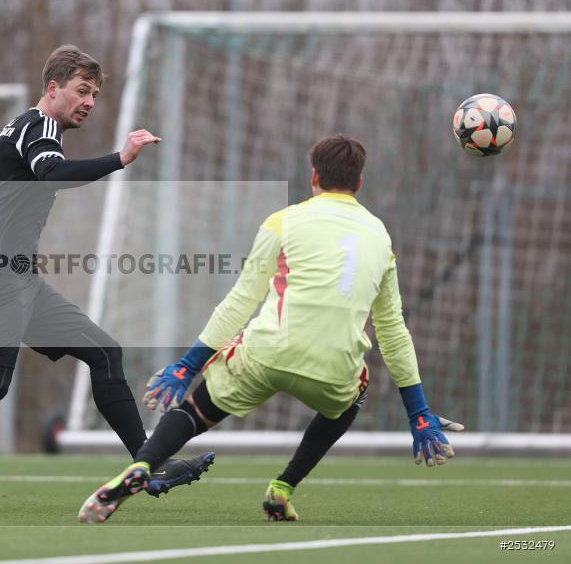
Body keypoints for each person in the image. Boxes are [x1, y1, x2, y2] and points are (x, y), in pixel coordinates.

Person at [0, 45, 213, 514]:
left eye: (94, 93)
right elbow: (50, 174)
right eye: (81, 90)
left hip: (13, 275)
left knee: (105, 352)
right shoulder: (40, 125)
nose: (89, 101)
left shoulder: (20, 130)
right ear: (52, 89)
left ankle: (147, 465)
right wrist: (120, 158)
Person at [79, 134, 464, 524]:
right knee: (354, 396)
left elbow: (241, 301)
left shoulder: (283, 221)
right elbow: (393, 329)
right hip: (333, 369)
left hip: (265, 353)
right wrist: (418, 412)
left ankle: (144, 465)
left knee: (197, 409)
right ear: (359, 182)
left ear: (313, 175)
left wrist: (188, 366)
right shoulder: (381, 236)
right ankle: (284, 487)